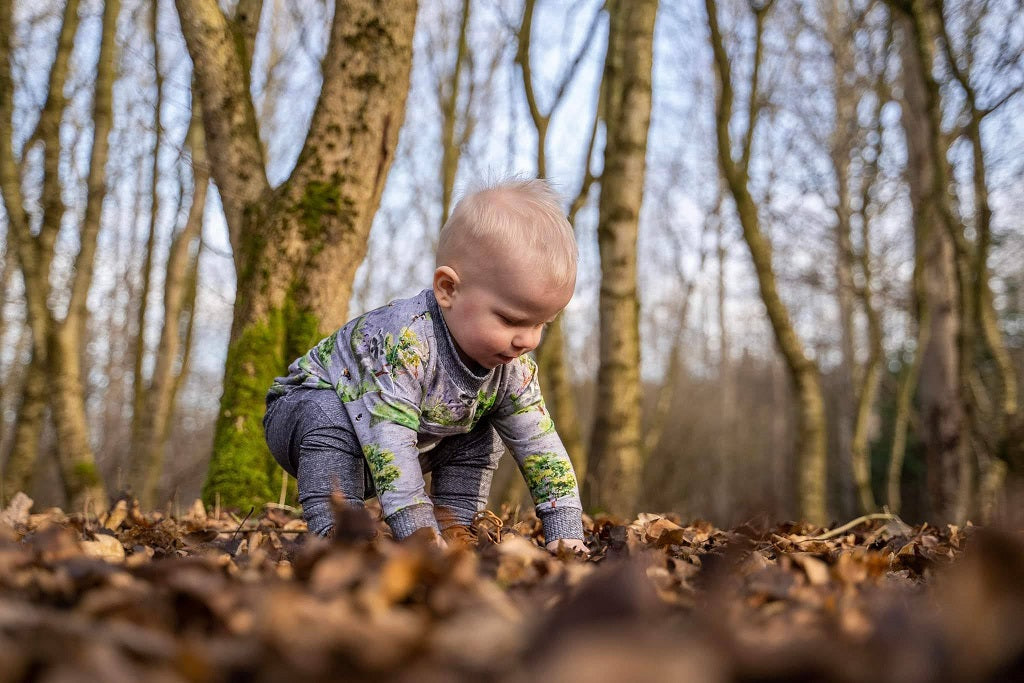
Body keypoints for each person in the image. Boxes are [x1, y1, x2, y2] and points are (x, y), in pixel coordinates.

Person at [263, 177, 587, 553]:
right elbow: (389, 444)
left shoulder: (512, 368)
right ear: (448, 289)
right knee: (327, 414)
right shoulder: (406, 344)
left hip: (408, 439)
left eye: (541, 324)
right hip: (305, 415)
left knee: (483, 426)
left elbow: (540, 444)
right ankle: (340, 538)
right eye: (511, 320)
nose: (528, 340)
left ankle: (455, 526)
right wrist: (416, 528)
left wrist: (566, 527)